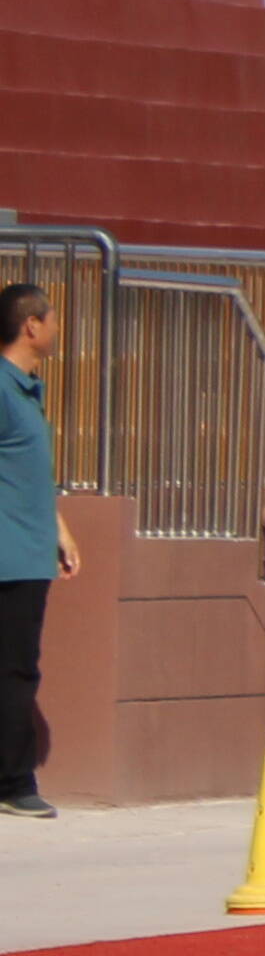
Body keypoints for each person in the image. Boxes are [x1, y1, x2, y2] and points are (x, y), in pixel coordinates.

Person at [0, 277, 55, 815]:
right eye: (52, 317)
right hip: (8, 557)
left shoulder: (25, 391)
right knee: (14, 671)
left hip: (30, 554)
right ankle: (14, 784)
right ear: (31, 325)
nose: (58, 328)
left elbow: (23, 473)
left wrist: (59, 530)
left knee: (17, 668)